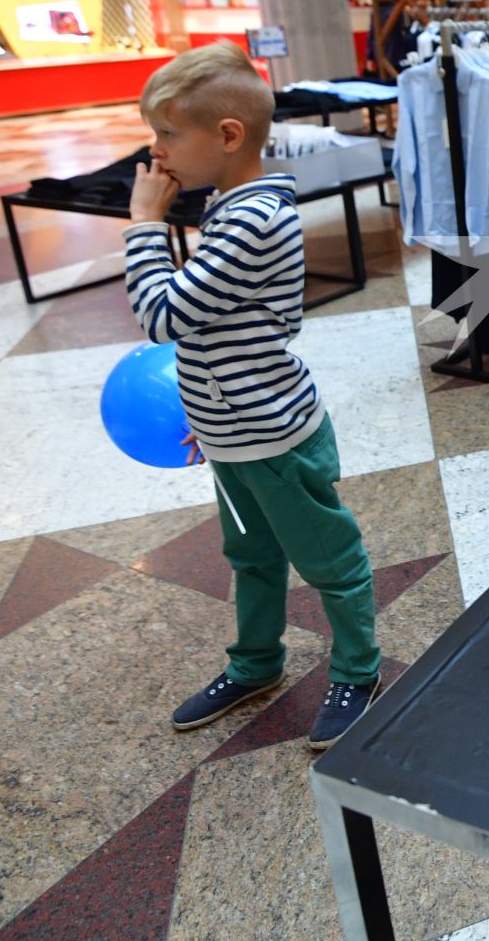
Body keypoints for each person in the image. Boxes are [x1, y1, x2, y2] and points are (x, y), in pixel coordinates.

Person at [123, 43, 381, 749]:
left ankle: (359, 668)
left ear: (228, 136)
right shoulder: (229, 207)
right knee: (252, 557)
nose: (157, 152)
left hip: (274, 437)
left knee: (327, 556)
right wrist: (207, 415)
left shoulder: (253, 219)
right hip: (235, 432)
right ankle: (256, 664)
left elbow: (166, 317)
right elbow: (214, 334)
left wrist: (145, 224)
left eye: (169, 134)